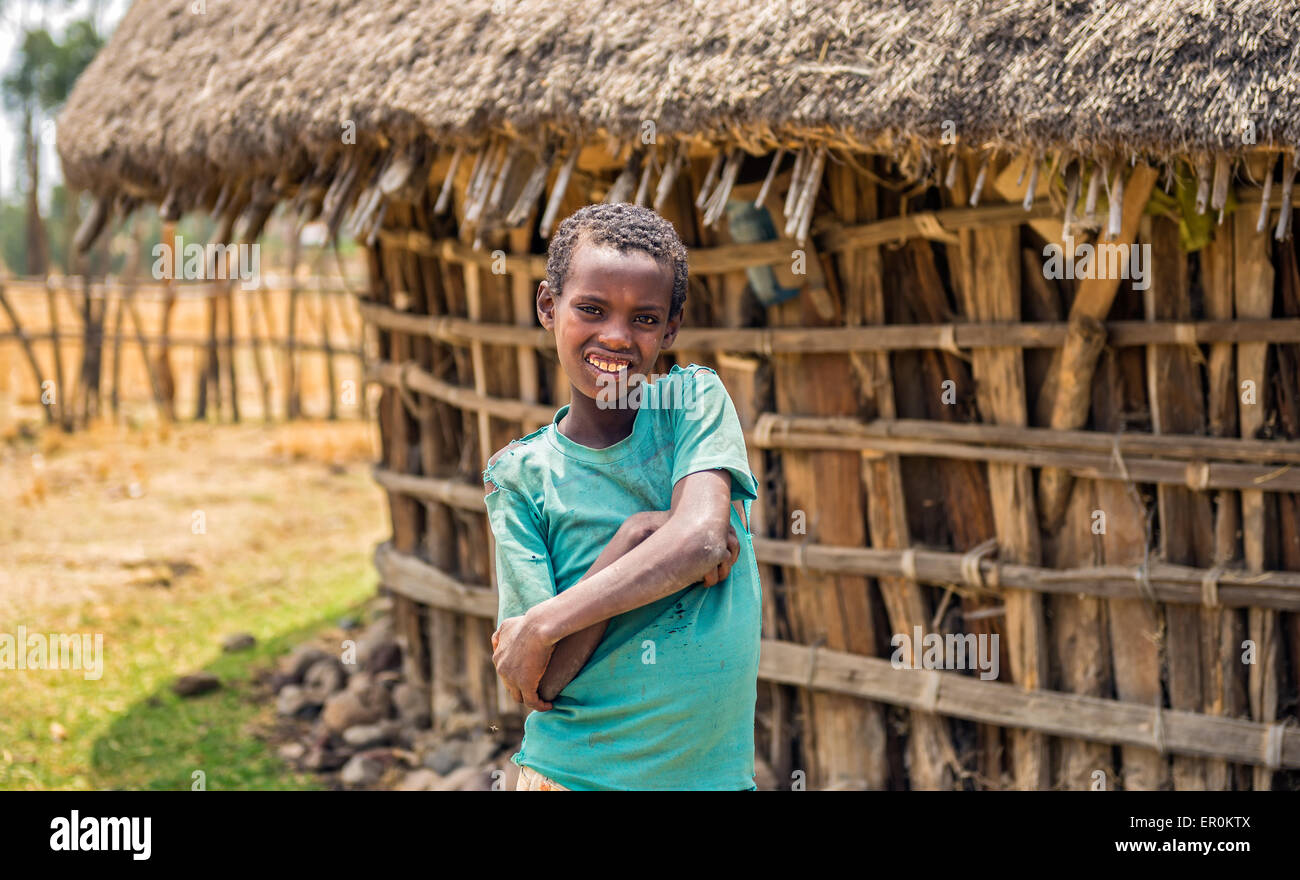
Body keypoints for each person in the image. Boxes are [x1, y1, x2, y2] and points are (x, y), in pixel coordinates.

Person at [482, 202, 763, 790]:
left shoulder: (693, 402)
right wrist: (633, 536)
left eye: (644, 318)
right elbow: (540, 680)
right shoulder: (519, 477)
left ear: (672, 327)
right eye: (590, 309)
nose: (615, 335)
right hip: (573, 777)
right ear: (547, 306)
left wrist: (546, 622)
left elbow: (703, 540)